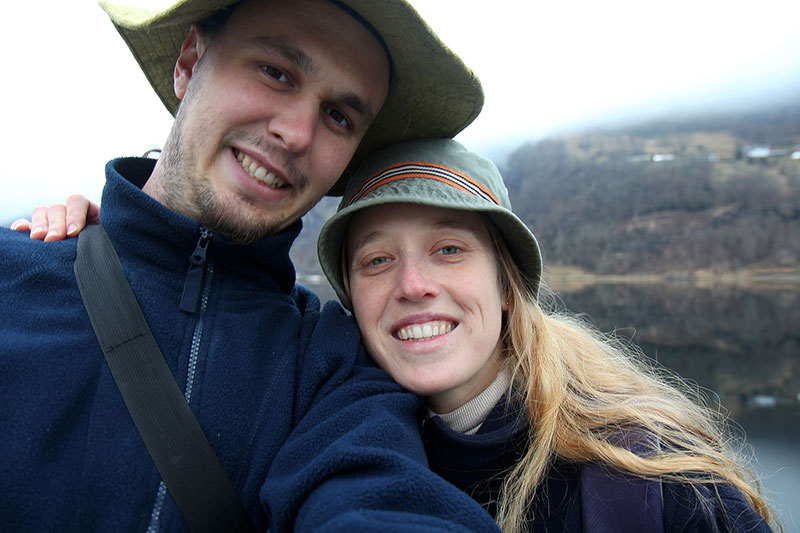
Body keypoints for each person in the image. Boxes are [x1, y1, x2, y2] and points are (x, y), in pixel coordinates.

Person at [0, 1, 501, 531]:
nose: (298, 133)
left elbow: (381, 500)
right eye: (276, 72)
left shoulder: (331, 367)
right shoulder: (14, 282)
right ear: (189, 62)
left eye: (339, 116)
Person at [313, 138, 780, 532]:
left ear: (506, 287)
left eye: (449, 249)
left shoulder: (655, 479)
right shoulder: (335, 455)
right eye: (377, 260)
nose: (413, 285)